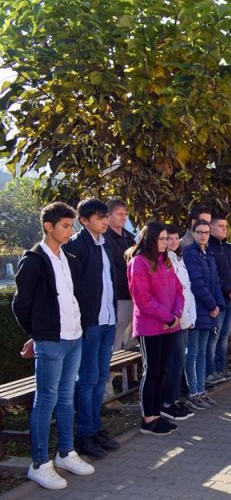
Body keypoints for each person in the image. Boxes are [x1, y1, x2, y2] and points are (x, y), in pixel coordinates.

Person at [12, 202, 95, 489]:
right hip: (52, 341)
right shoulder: (33, 260)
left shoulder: (68, 256)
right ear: (48, 226)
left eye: (71, 226)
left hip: (74, 338)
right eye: (65, 226)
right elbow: (20, 304)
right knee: (45, 400)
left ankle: (65, 453)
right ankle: (39, 463)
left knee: (65, 397)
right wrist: (39, 334)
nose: (70, 232)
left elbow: (72, 297)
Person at [63, 198, 121, 459]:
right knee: (86, 380)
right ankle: (84, 434)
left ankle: (95, 428)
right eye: (99, 217)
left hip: (108, 320)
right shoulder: (76, 246)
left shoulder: (105, 243)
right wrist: (83, 322)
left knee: (99, 378)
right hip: (90, 324)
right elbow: (72, 288)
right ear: (84, 220)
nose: (105, 221)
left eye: (105, 216)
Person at [126, 222, 184, 436]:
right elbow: (142, 299)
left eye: (167, 238)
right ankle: (148, 419)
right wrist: (168, 316)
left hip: (169, 326)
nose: (166, 242)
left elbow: (179, 289)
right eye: (161, 239)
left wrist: (176, 314)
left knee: (162, 372)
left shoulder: (165, 261)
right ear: (150, 240)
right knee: (152, 372)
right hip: (151, 327)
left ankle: (157, 414)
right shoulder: (138, 263)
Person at [183, 220, 225, 410]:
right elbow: (197, 283)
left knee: (201, 354)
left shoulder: (208, 254)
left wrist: (217, 304)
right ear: (193, 233)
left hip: (209, 311)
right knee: (192, 353)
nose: (203, 236)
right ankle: (193, 393)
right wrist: (211, 304)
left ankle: (201, 390)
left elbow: (216, 281)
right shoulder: (190, 254)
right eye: (199, 232)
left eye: (206, 232)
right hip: (197, 311)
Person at [161, 224, 196, 421]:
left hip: (183, 318)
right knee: (173, 362)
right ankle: (168, 401)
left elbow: (186, 290)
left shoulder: (178, 258)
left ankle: (173, 399)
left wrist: (190, 316)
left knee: (179, 360)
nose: (172, 242)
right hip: (172, 319)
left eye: (175, 238)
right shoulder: (163, 260)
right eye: (168, 239)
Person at [206, 215, 231, 385]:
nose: (224, 229)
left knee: (224, 336)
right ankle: (211, 372)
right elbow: (213, 276)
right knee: (214, 336)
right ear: (211, 228)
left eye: (226, 226)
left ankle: (222, 369)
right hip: (219, 300)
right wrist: (228, 290)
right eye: (220, 226)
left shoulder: (229, 248)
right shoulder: (209, 249)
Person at [103, 199, 137, 353]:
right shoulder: (104, 239)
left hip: (135, 296)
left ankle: (130, 377)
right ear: (108, 216)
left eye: (125, 214)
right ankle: (109, 378)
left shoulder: (130, 238)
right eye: (119, 214)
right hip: (119, 298)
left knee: (132, 340)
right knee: (115, 342)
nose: (123, 217)